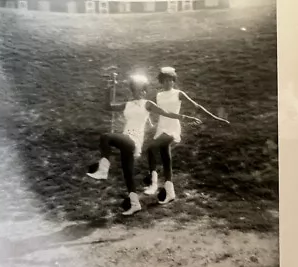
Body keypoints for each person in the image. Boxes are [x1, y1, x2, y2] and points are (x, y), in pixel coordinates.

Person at [87, 73, 201, 216]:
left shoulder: (147, 103)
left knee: (106, 137)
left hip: (134, 140)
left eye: (142, 90)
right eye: (136, 89)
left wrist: (184, 117)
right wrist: (109, 89)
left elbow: (166, 112)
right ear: (133, 91)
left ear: (145, 91)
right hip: (125, 138)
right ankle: (135, 204)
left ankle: (103, 170)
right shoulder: (127, 105)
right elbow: (108, 106)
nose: (139, 92)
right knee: (128, 174)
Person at [144, 67, 230, 204]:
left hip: (172, 128)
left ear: (174, 81)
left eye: (170, 80)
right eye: (164, 80)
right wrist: (149, 122)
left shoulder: (179, 93)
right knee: (165, 158)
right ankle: (170, 192)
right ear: (161, 82)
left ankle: (153, 184)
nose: (168, 83)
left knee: (150, 149)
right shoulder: (158, 95)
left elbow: (197, 106)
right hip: (161, 128)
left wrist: (216, 118)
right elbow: (147, 108)